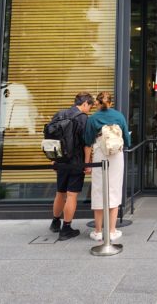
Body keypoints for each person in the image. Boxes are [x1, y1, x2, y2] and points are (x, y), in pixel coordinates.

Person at [84, 91, 131, 242]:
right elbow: (127, 139)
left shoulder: (93, 118)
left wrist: (87, 163)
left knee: (99, 190)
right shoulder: (119, 116)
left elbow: (87, 142)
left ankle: (98, 231)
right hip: (116, 156)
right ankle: (112, 231)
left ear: (97, 103)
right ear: (110, 103)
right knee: (114, 190)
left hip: (100, 154)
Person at [49, 92, 94, 240]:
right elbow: (87, 144)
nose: (89, 109)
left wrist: (53, 157)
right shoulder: (83, 119)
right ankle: (66, 228)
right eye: (90, 106)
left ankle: (55, 223)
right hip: (76, 161)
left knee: (60, 192)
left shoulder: (60, 114)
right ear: (85, 103)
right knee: (71, 194)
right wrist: (87, 163)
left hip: (60, 160)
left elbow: (51, 137)